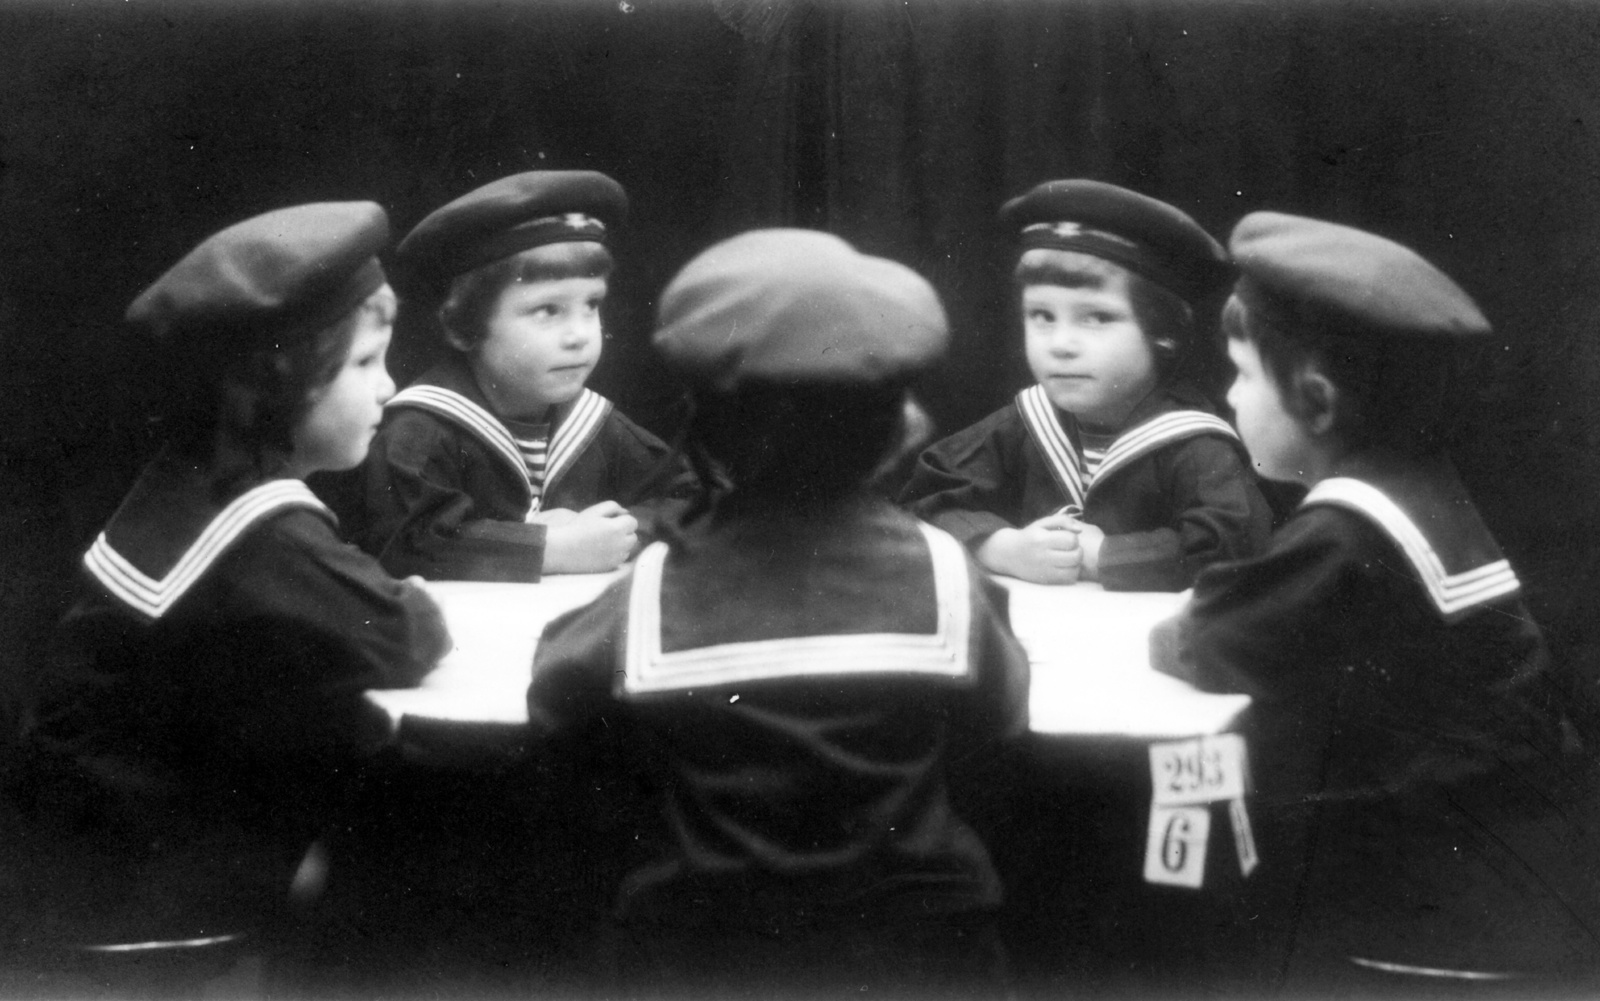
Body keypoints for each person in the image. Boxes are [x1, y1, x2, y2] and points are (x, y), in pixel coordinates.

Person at [527, 230, 1032, 999]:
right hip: (921, 956)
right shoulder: (944, 571)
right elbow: (1002, 715)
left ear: (712, 435)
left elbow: (556, 696)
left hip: (703, 955)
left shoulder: (659, 586)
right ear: (899, 428)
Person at [1151, 212, 1600, 994]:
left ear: (1317, 401)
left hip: (1432, 895)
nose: (1227, 396)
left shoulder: (1349, 527)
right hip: (1518, 852)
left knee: (1179, 840)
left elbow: (1211, 637)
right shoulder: (1419, 483)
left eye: (1243, 374)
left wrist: (1174, 625)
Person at [20, 202, 450, 942]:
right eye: (362, 362)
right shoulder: (254, 529)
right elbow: (407, 633)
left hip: (83, 860)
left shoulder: (186, 483)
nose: (388, 386)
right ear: (274, 381)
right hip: (143, 895)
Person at [900, 179, 1272, 591]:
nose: (1060, 345)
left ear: (1164, 332)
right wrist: (1000, 547)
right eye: (1042, 316)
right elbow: (925, 499)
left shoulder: (1193, 444)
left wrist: (1103, 557)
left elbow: (1237, 545)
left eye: (1095, 318)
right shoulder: (1025, 423)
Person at [333, 170, 697, 582]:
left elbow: (687, 495)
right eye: (548, 311)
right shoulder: (421, 429)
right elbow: (407, 543)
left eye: (591, 305)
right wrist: (549, 548)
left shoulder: (593, 423)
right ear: (464, 326)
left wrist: (623, 531)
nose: (579, 335)